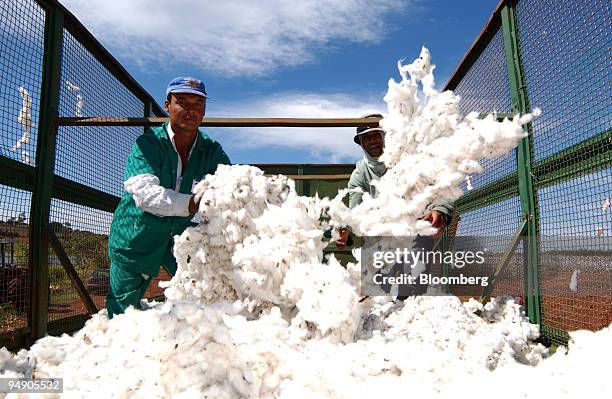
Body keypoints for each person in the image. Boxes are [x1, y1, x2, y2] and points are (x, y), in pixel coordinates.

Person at [106, 77, 230, 318]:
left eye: (198, 104)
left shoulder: (211, 151)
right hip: (137, 235)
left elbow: (229, 183)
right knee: (123, 312)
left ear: (204, 110)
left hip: (180, 241)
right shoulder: (149, 144)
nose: (190, 110)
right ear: (167, 105)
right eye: (182, 102)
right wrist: (192, 203)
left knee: (202, 294)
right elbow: (145, 193)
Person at [336, 114, 454, 248]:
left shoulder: (409, 158)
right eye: (367, 138)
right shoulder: (360, 173)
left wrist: (440, 209)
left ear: (386, 137)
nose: (372, 141)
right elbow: (355, 208)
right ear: (361, 143)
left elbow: (437, 184)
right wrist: (346, 230)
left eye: (376, 135)